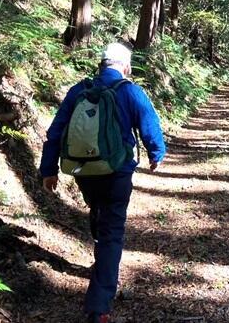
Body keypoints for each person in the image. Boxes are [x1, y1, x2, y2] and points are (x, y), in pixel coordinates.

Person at [39, 42, 166, 323]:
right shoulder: (130, 91)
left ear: (101, 64)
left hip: (84, 172)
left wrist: (48, 169)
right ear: (125, 66)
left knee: (98, 210)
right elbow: (149, 124)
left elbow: (56, 130)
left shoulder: (79, 91)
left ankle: (101, 260)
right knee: (112, 232)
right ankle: (99, 306)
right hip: (117, 173)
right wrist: (156, 154)